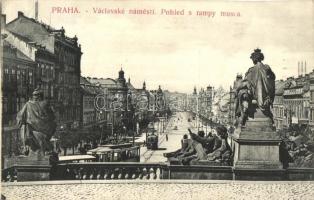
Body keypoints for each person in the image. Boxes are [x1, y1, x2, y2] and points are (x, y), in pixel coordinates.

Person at [235, 48, 276, 126]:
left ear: (254, 59)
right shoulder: (267, 68)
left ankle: (242, 114)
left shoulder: (252, 70)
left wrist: (237, 90)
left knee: (241, 93)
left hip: (256, 95)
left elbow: (245, 83)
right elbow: (273, 78)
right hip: (267, 95)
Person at [16, 88, 57, 158]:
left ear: (38, 96)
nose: (34, 97)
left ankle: (25, 147)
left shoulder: (28, 104)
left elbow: (20, 116)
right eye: (34, 95)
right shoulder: (45, 103)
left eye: (35, 95)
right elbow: (52, 117)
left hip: (34, 127)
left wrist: (20, 122)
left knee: (24, 125)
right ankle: (26, 147)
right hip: (45, 129)